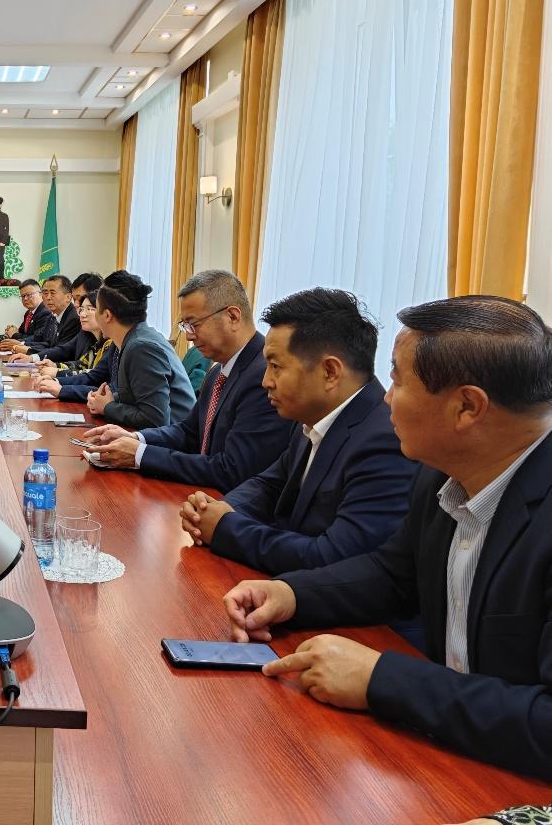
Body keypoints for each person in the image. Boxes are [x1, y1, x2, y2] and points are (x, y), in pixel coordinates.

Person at [222, 296, 552, 781]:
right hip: (444, 758)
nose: (385, 398)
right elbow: (393, 575)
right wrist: (291, 594)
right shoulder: (442, 474)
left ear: (467, 406)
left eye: (398, 379)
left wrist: (380, 679)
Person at [179, 287, 416, 574]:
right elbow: (270, 484)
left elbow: (332, 557)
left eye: (275, 366)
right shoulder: (311, 418)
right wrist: (218, 509)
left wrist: (225, 528)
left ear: (330, 372)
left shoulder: (384, 442)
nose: (266, 381)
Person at [85, 270, 292, 490]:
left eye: (194, 324)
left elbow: (231, 470)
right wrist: (137, 438)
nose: (189, 335)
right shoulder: (217, 373)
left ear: (232, 317)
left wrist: (140, 455)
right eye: (185, 326)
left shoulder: (264, 378)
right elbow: (188, 432)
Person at [86, 271, 195, 429]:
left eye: (96, 309)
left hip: (173, 439)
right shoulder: (135, 338)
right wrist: (110, 399)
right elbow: (138, 397)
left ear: (107, 315)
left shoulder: (141, 348)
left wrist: (108, 407)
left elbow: (155, 420)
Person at [31, 296, 120, 402]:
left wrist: (58, 375)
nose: (82, 314)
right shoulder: (89, 337)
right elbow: (82, 365)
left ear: (107, 314)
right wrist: (55, 367)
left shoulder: (113, 344)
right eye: (81, 309)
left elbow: (95, 377)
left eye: (90, 309)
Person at [0, 279, 55, 349]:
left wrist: (14, 334)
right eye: (23, 296)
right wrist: (11, 330)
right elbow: (22, 332)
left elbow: (38, 338)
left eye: (29, 295)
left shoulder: (46, 312)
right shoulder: (29, 313)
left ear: (40, 294)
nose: (25, 299)